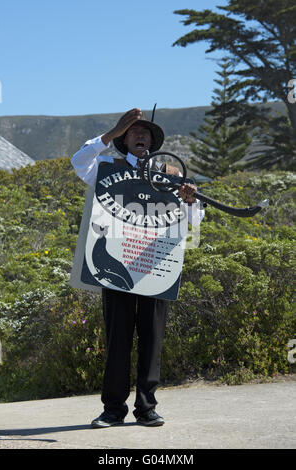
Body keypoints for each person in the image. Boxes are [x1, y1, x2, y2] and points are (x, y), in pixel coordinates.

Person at [71, 107, 204, 428]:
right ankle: (113, 409)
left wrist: (189, 200)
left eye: (145, 132)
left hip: (155, 267)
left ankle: (146, 408)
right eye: (132, 131)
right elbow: (79, 162)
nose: (140, 135)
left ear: (154, 141)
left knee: (152, 338)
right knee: (117, 339)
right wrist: (110, 132)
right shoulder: (106, 166)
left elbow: (196, 221)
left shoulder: (171, 173)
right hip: (116, 264)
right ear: (123, 139)